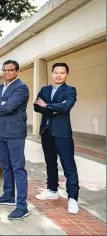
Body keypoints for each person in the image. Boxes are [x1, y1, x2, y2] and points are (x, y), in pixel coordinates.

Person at [0, 60, 29, 220]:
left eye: (10, 70)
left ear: (17, 72)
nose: (7, 73)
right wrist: (0, 103)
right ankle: (8, 195)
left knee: (18, 168)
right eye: (4, 70)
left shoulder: (21, 88)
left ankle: (22, 206)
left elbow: (9, 107)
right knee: (6, 167)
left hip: (15, 133)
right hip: (1, 134)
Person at [33, 62, 79, 214]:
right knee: (50, 163)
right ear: (52, 73)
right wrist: (54, 106)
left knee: (68, 166)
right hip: (46, 132)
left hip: (62, 134)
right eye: (56, 72)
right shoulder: (44, 89)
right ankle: (52, 190)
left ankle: (73, 198)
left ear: (67, 74)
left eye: (62, 73)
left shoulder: (70, 90)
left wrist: (47, 105)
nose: (58, 75)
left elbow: (67, 107)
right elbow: (36, 106)